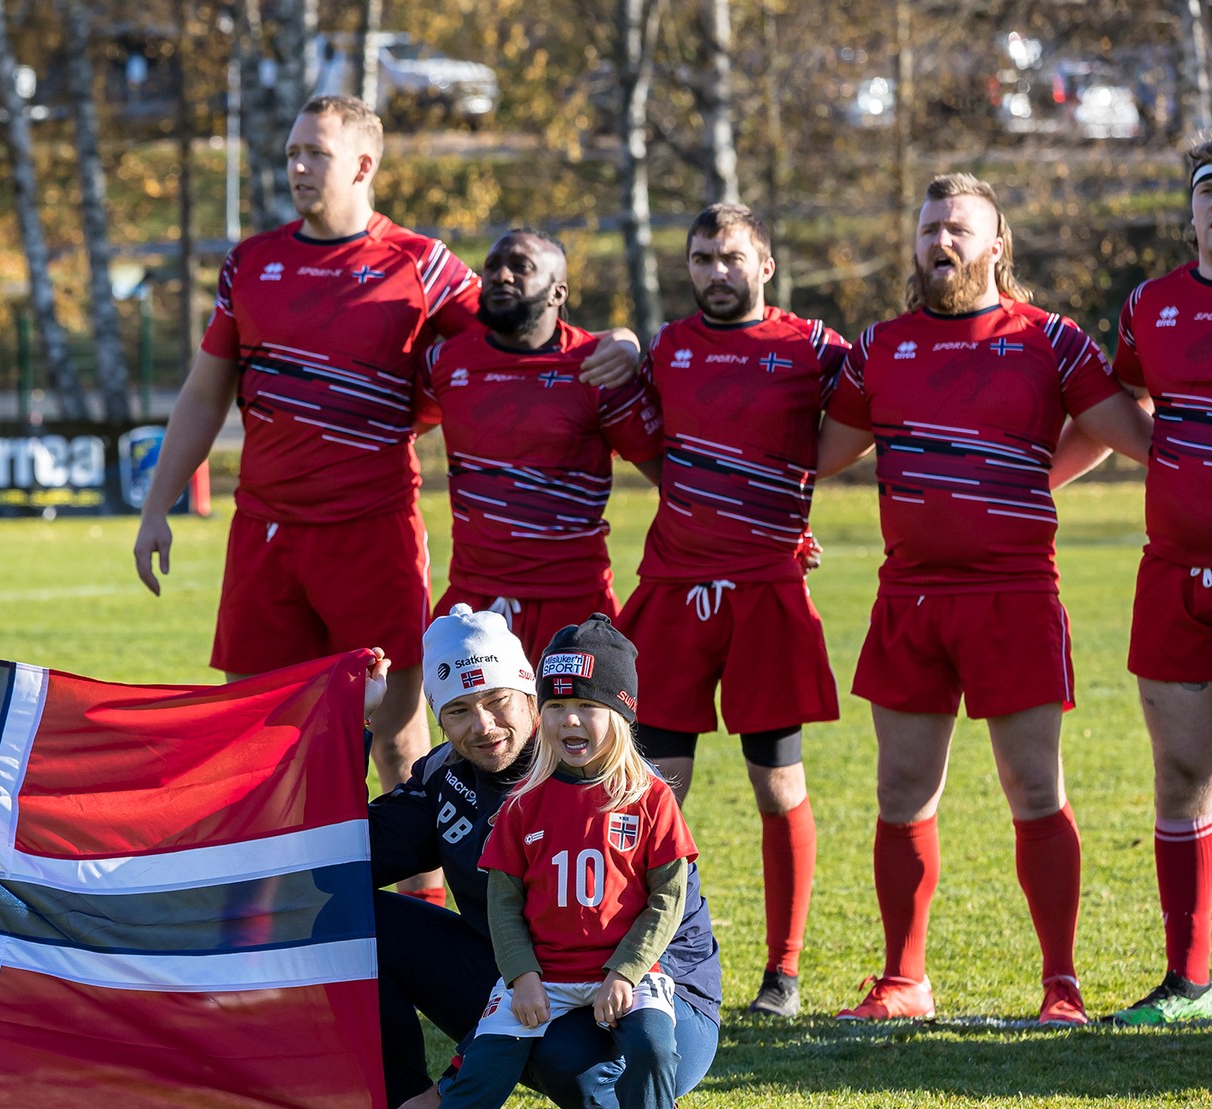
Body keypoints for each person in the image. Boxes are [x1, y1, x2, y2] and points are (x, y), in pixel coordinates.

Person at [130, 95, 640, 858]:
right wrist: (157, 502)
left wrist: (621, 339)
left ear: (364, 165)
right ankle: (272, 927)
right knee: (259, 741)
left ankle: (416, 925)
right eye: (294, 151)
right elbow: (206, 391)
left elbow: (524, 325)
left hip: (374, 531)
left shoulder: (422, 264)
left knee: (397, 746)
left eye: (317, 153)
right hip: (264, 531)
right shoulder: (251, 263)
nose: (299, 166)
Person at [815, 173, 1152, 1024]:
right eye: (930, 229)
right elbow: (814, 457)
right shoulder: (881, 345)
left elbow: (1137, 433)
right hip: (911, 597)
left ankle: (1061, 983)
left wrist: (1035, 479)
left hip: (1014, 593)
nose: (941, 244)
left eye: (958, 229)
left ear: (998, 245)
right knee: (900, 791)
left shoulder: (1050, 340)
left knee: (1035, 789)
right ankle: (904, 979)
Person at [307, 605, 719, 1109]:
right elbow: (333, 861)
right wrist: (355, 725)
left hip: (649, 987)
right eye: (458, 711)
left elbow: (627, 933)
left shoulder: (608, 781)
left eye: (499, 700)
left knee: (563, 1059)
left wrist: (446, 1089)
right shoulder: (448, 778)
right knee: (354, 923)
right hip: (529, 974)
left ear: (531, 692)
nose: (483, 726)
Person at [619, 204, 849, 1019]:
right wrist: (616, 349)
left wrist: (795, 515)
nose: (718, 272)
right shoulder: (668, 350)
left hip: (765, 593)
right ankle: (651, 959)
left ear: (766, 266)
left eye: (732, 257)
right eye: (703, 258)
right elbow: (639, 433)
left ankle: (782, 973)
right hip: (675, 591)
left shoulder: (813, 347)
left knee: (778, 783)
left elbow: (872, 406)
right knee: (653, 791)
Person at [415, 229, 664, 657]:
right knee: (480, 728)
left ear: (557, 291)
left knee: (575, 727)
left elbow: (673, 479)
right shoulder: (445, 362)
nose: (501, 276)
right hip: (471, 606)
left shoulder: (597, 368)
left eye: (520, 267)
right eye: (492, 266)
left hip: (573, 606)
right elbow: (386, 426)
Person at [1107, 139, 1212, 1023]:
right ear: (1191, 211)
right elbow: (1126, 403)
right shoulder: (1151, 306)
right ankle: (1189, 979)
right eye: (1209, 189)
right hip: (1173, 573)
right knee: (1180, 769)